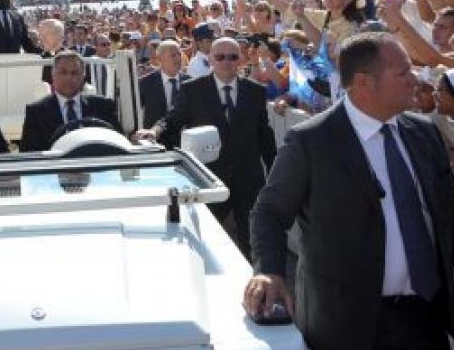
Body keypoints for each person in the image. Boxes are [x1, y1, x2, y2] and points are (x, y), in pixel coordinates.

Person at [246, 33, 454, 350]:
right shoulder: (312, 141)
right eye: (403, 72)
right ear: (363, 82)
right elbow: (269, 213)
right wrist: (269, 271)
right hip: (347, 327)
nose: (416, 78)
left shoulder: (423, 133)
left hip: (426, 320)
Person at [134, 37, 275, 253]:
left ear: (240, 60)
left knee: (253, 242)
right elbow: (173, 119)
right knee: (205, 242)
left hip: (248, 179)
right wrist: (154, 131)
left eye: (232, 57)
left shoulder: (255, 91)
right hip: (208, 178)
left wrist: (275, 175)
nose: (226, 61)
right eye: (220, 57)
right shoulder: (193, 89)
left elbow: (264, 136)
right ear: (211, 59)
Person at [20, 52, 123, 152]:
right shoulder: (36, 112)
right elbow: (29, 154)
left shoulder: (103, 106)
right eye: (63, 72)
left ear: (83, 76)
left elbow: (119, 142)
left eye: (75, 73)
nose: (69, 78)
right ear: (53, 74)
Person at [139, 39, 188, 131]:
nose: (178, 58)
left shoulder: (189, 82)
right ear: (160, 58)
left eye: (179, 54)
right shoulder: (146, 83)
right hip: (154, 139)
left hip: (184, 140)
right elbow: (135, 112)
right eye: (173, 55)